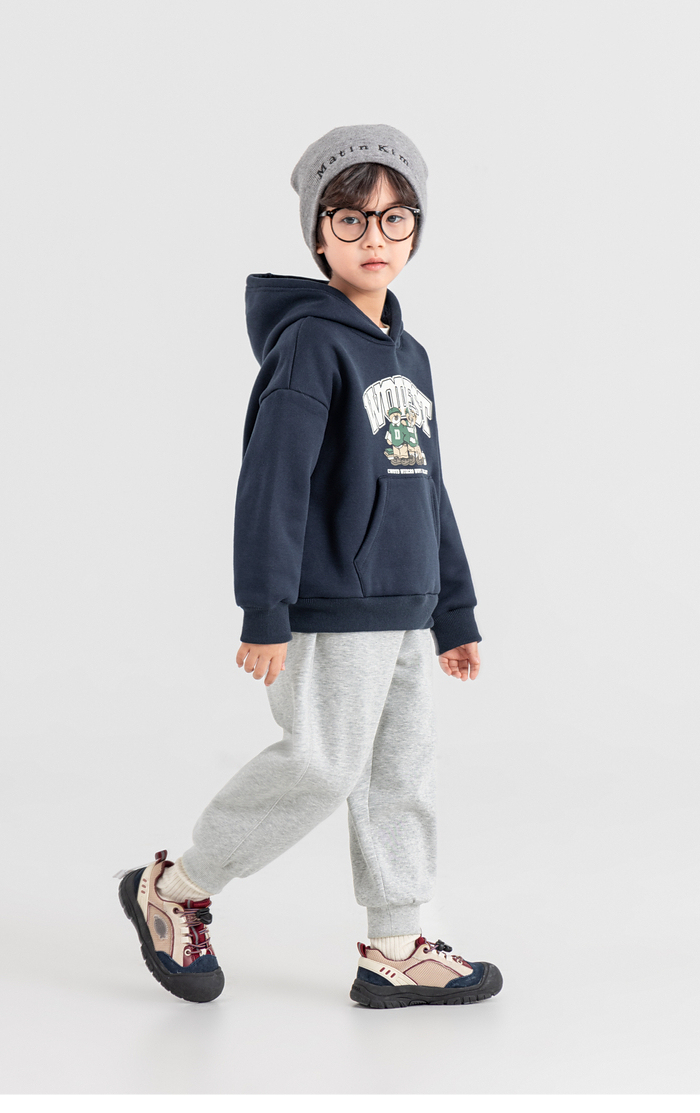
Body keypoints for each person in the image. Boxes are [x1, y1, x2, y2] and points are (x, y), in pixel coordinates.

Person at [117, 124, 503, 1009]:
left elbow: (428, 488)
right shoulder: (308, 345)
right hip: (330, 604)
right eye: (351, 219)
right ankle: (174, 887)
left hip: (407, 605)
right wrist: (266, 610)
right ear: (319, 234)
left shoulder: (409, 355)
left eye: (396, 218)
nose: (375, 238)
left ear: (416, 231)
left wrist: (454, 609)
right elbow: (272, 485)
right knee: (323, 767)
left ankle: (396, 947)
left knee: (402, 776)